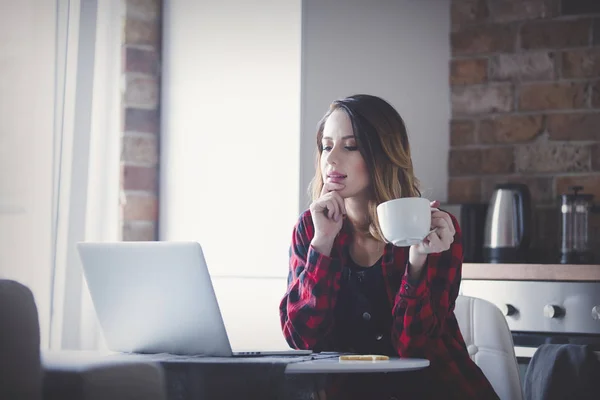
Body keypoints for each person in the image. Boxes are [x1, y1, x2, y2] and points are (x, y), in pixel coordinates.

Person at [279, 94, 498, 399]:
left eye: (350, 146)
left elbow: (416, 349)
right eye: (327, 146)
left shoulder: (432, 227)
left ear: (383, 153)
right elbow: (301, 337)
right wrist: (323, 245)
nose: (331, 159)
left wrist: (418, 262)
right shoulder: (311, 228)